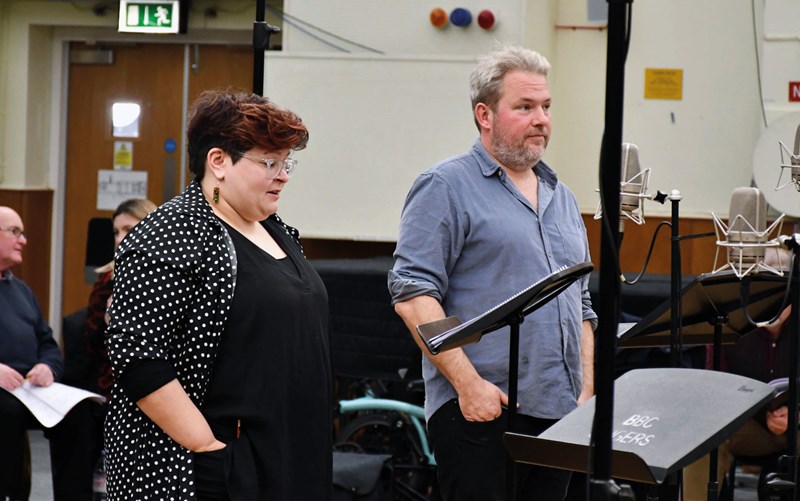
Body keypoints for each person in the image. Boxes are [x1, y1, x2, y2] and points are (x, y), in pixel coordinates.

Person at [388, 45, 597, 501]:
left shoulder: (561, 196)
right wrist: (468, 384)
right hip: (482, 410)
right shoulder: (445, 186)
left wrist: (585, 389)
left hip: (559, 413)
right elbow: (413, 294)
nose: (541, 118)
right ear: (485, 114)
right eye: (524, 107)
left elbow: (580, 303)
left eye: (545, 107)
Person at [104, 89, 332, 500]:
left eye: (286, 163)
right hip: (209, 470)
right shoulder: (170, 233)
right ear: (219, 161)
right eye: (269, 162)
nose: (283, 175)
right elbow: (137, 357)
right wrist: (206, 446)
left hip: (286, 457)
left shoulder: (276, 229)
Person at [0, 206, 98, 500]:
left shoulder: (22, 290)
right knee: (7, 411)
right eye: (15, 232)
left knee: (80, 413)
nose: (24, 240)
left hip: (29, 388)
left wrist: (47, 367)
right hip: (4, 392)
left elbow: (48, 343)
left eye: (24, 233)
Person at [682, 304, 793, 501]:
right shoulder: (727, 323)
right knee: (700, 436)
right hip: (748, 424)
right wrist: (762, 414)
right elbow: (716, 390)